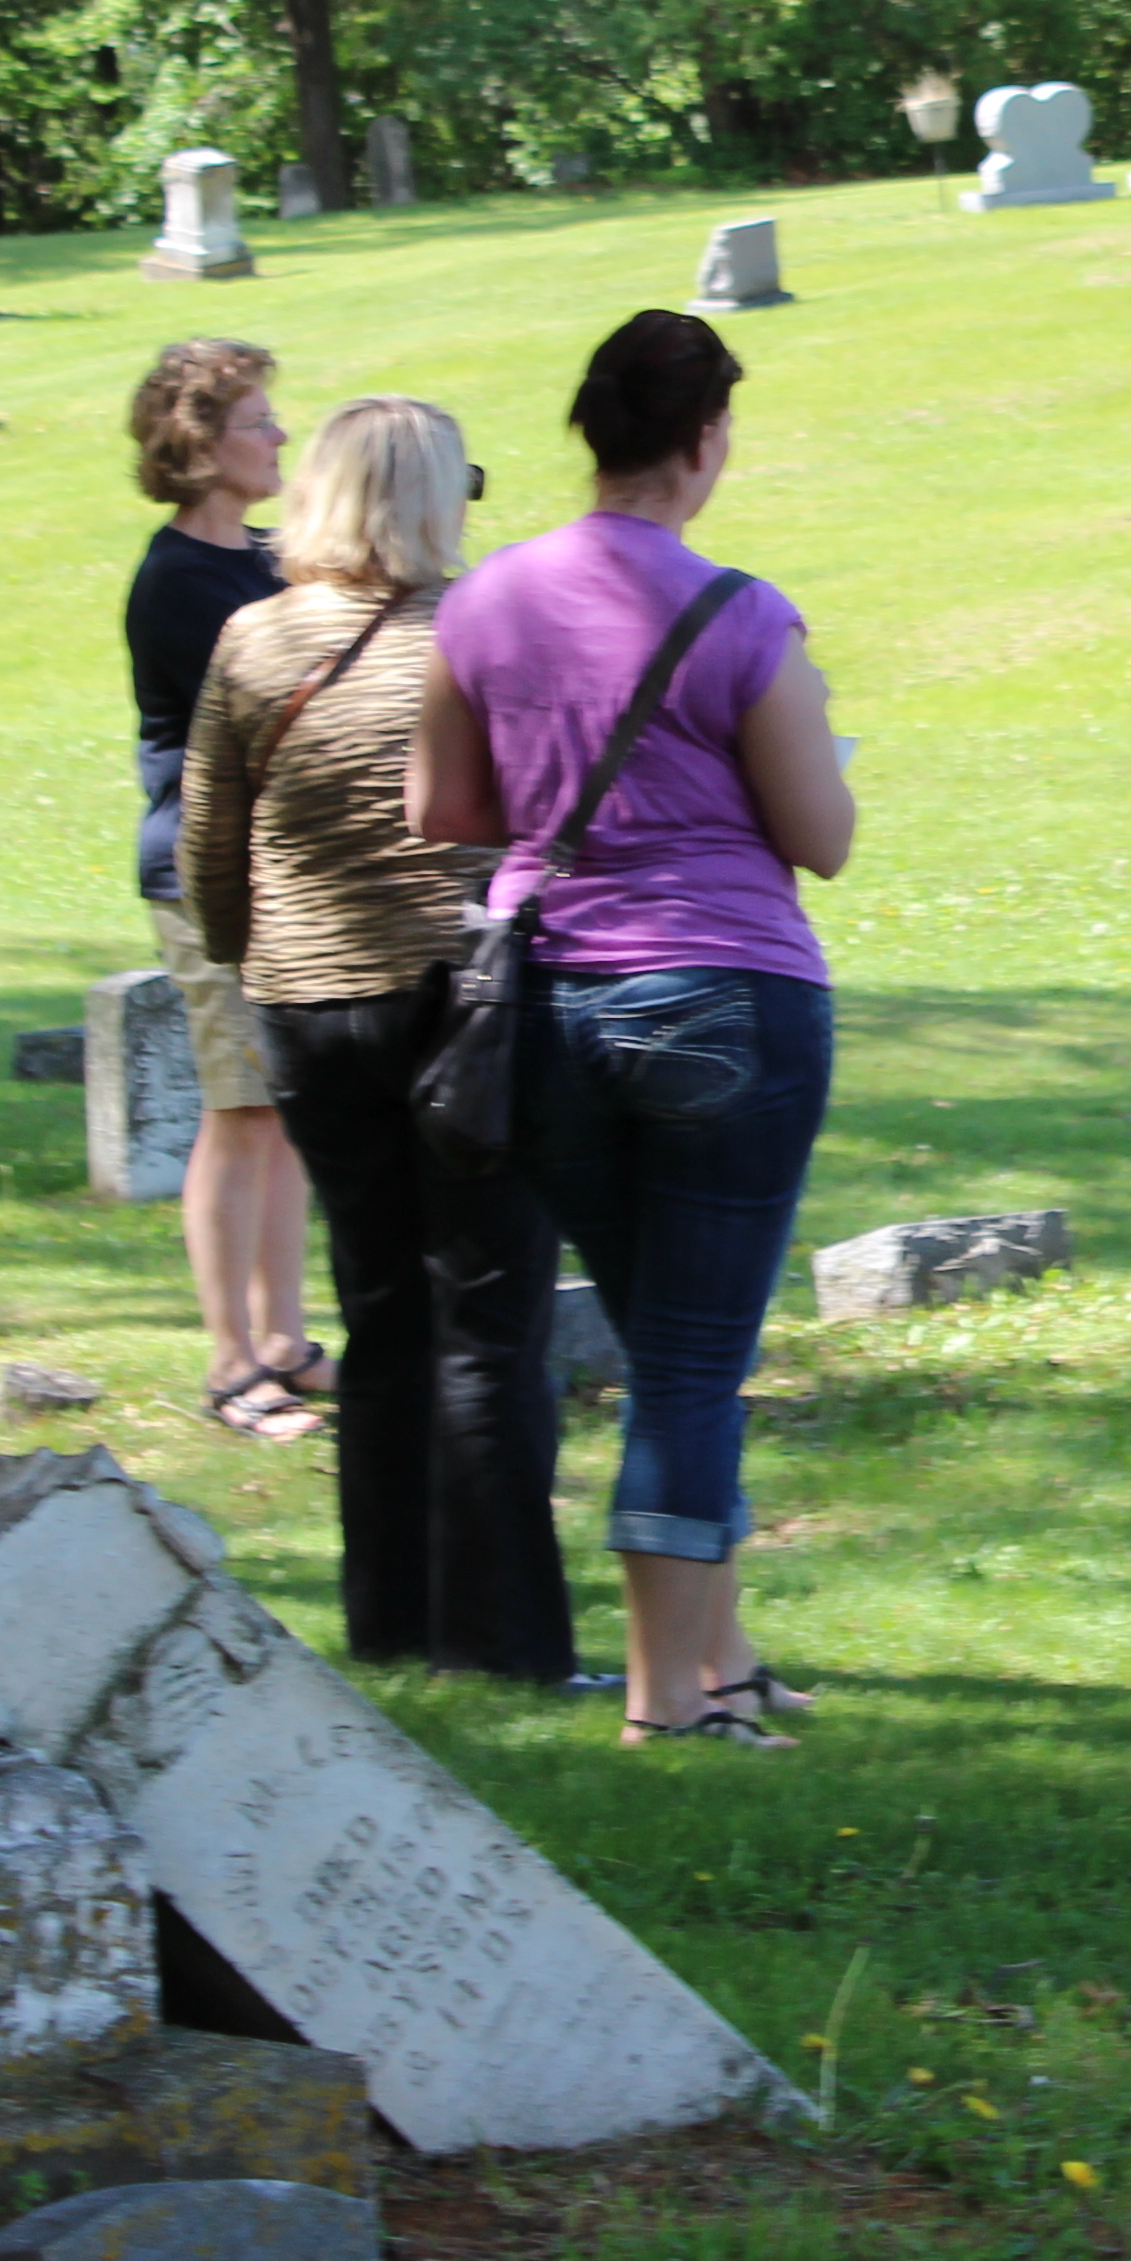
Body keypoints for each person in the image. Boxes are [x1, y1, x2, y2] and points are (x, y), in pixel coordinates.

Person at [416, 311, 851, 1750]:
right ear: (707, 439)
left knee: (674, 1331)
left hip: (544, 1012)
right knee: (689, 1364)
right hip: (724, 998)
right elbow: (822, 834)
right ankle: (672, 1702)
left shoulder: (483, 603)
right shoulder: (738, 613)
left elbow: (447, 813)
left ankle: (717, 1657)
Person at [185, 395, 579, 1686]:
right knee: (487, 1320)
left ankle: (393, 1621)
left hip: (309, 1012)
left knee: (380, 1314)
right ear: (429, 500)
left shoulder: (250, 636)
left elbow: (211, 841)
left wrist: (261, 960)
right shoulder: (482, 632)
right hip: (463, 1005)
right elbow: (541, 821)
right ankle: (502, 1639)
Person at [124, 336, 329, 1439]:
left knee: (281, 1112)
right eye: (258, 422)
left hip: (283, 869)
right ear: (201, 448)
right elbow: (276, 709)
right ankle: (228, 1363)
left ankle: (284, 1339)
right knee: (237, 1110)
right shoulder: (178, 584)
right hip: (206, 875)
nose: (280, 437)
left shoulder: (261, 558)